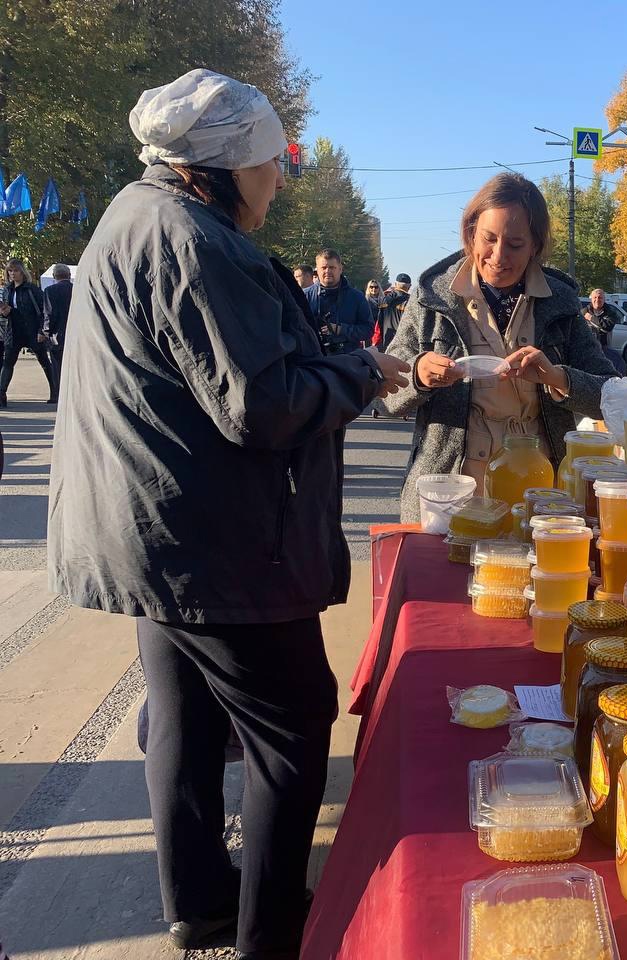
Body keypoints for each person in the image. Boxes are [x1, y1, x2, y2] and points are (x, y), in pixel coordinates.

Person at [46, 69, 410, 959]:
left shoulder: (140, 213)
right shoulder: (191, 237)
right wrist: (364, 373)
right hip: (198, 537)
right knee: (293, 722)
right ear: (222, 165)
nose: (281, 179)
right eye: (272, 163)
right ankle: (272, 934)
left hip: (150, 528)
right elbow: (262, 403)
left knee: (185, 716)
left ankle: (202, 902)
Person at [382, 173, 619, 521]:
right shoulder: (433, 296)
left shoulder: (562, 301)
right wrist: (418, 374)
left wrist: (558, 378)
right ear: (469, 234)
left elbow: (609, 397)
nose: (498, 256)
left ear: (536, 245)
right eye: (488, 239)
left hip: (537, 497)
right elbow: (387, 393)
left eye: (515, 244)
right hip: (446, 497)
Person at [0, 259, 57, 407]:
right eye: (10, 271)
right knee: (8, 363)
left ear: (22, 272)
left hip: (32, 331)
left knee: (44, 361)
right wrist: (5, 312)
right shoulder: (7, 289)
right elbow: (7, 312)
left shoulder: (32, 289)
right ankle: (1, 394)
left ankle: (55, 392)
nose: (12, 274)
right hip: (14, 331)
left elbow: (43, 311)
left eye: (15, 270)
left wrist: (41, 331)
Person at [305, 249, 374, 354]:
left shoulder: (356, 297)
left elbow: (368, 330)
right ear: (317, 270)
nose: (327, 271)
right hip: (313, 360)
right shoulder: (305, 296)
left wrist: (340, 330)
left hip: (348, 360)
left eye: (332, 267)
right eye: (323, 268)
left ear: (340, 269)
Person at [40, 263, 74, 395]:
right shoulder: (76, 289)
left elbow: (49, 313)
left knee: (58, 367)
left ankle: (61, 394)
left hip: (57, 335)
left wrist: (46, 331)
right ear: (69, 276)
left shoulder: (50, 291)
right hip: (75, 333)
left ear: (54, 276)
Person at [373, 273, 412, 349]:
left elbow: (378, 322)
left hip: (385, 339)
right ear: (409, 286)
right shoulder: (410, 302)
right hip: (402, 343)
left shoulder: (384, 299)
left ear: (395, 284)